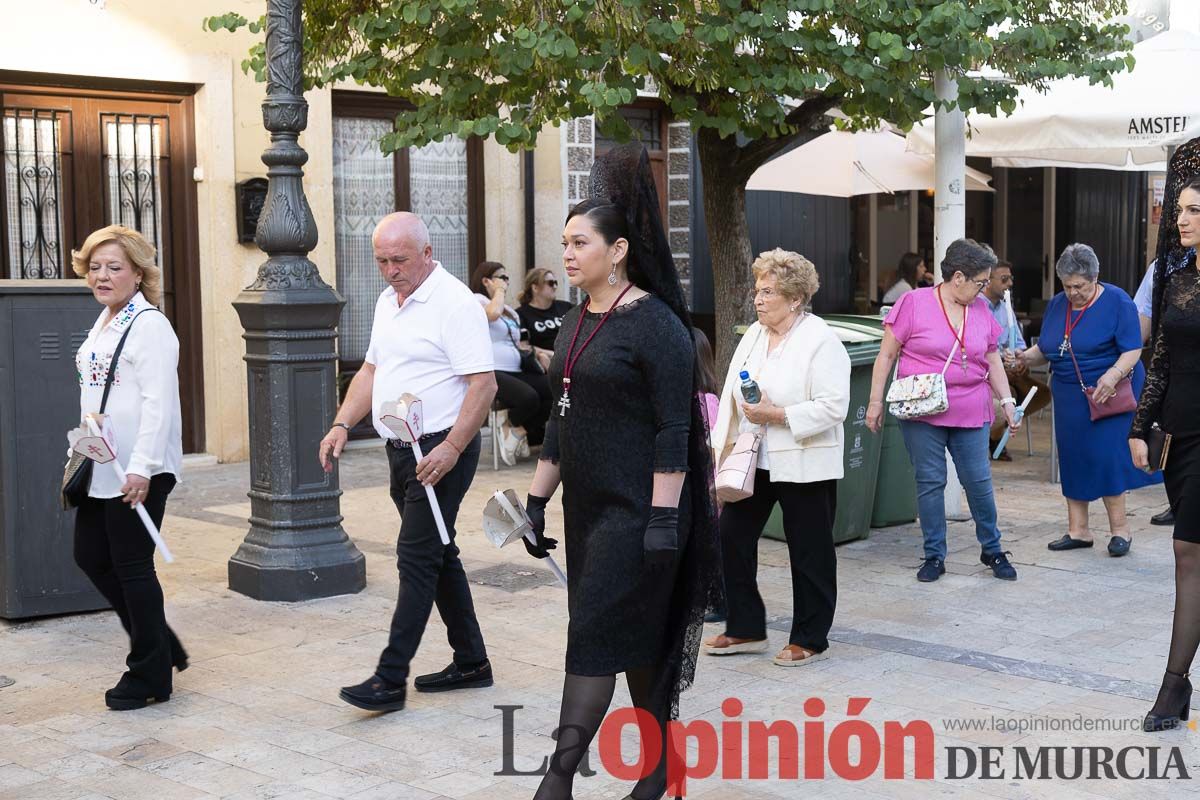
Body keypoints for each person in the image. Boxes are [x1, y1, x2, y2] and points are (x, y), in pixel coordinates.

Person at [520, 143, 720, 800]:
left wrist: (664, 516)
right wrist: (537, 500)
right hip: (588, 510)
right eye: (565, 242)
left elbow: (674, 426)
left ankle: (557, 781)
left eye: (581, 242)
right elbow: (562, 415)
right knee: (633, 639)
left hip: (639, 511)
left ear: (620, 250)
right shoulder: (578, 320)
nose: (568, 253)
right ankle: (661, 766)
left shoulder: (656, 324)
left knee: (595, 634)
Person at [321, 212, 497, 713]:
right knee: (440, 553)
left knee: (416, 558)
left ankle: (389, 678)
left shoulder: (455, 303)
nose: (390, 270)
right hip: (401, 449)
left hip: (442, 448)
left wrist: (453, 448)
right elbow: (373, 369)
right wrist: (341, 424)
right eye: (381, 260)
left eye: (399, 259)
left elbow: (483, 385)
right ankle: (472, 661)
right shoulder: (386, 301)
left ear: (427, 252)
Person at [702, 249, 850, 667]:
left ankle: (811, 637)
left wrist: (778, 414)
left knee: (809, 550)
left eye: (768, 292)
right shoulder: (753, 336)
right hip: (753, 457)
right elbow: (731, 392)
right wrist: (721, 449)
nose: (758, 299)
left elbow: (835, 405)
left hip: (804, 460)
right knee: (731, 537)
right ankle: (746, 627)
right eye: (757, 290)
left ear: (795, 299)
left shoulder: (820, 339)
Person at [70, 224, 186, 710]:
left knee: (132, 565)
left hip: (140, 467)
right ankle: (159, 642)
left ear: (138, 273)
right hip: (102, 463)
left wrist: (141, 469)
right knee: (90, 555)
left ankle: (149, 673)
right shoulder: (104, 321)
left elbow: (159, 404)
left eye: (114, 267)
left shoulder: (150, 325)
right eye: (95, 267)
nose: (102, 276)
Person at [866, 239, 1020, 583]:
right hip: (922, 409)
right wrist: (875, 402)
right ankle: (934, 554)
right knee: (930, 482)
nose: (984, 288)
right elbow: (887, 355)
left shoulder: (979, 308)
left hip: (971, 407)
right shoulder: (913, 303)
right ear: (959, 277)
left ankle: (992, 548)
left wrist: (1007, 401)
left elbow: (992, 357)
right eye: (980, 281)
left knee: (978, 481)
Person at [1017, 244, 1159, 557]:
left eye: (1079, 286)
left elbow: (1133, 348)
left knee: (1108, 457)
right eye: (1067, 286)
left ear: (1095, 278)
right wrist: (1024, 358)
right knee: (1073, 456)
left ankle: (1120, 530)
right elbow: (1048, 348)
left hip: (1111, 393)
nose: (1073, 293)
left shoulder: (1117, 301)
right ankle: (1078, 530)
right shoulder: (1057, 305)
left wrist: (1112, 375)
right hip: (1070, 395)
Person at [1131, 168, 1200, 731]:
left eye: (1194, 210)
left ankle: (1172, 686)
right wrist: (1139, 427)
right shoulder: (1174, 279)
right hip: (1179, 437)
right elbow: (1160, 363)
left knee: (1188, 552)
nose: (1180, 218)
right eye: (1179, 209)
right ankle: (1178, 687)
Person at [471, 261, 553, 465]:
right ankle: (513, 426)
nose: (506, 282)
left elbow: (520, 343)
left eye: (507, 279)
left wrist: (540, 353)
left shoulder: (510, 311)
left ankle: (511, 425)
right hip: (492, 369)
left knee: (556, 390)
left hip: (517, 368)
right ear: (486, 280)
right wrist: (497, 291)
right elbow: (492, 315)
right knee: (529, 398)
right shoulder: (476, 301)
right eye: (502, 278)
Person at [982, 260, 1050, 459]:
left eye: (1011, 278)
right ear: (987, 281)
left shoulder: (1005, 307)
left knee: (1041, 393)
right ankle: (994, 439)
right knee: (1008, 394)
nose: (1010, 283)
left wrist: (1020, 360)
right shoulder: (976, 307)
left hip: (1009, 370)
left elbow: (1018, 343)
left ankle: (995, 434)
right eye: (1004, 279)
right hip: (988, 371)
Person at [1134, 262, 1176, 526]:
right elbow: (1143, 317)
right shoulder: (1161, 267)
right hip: (1174, 369)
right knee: (1174, 434)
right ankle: (1178, 501)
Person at [692, 326, 725, 625]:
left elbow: (714, 447)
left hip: (708, 486)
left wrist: (715, 486)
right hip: (695, 486)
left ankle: (718, 601)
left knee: (711, 546)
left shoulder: (708, 402)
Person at [517, 267, 573, 372]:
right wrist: (548, 353)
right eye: (551, 283)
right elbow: (523, 346)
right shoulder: (521, 314)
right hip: (549, 362)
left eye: (556, 282)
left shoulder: (567, 307)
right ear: (535, 288)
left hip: (575, 357)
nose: (555, 287)